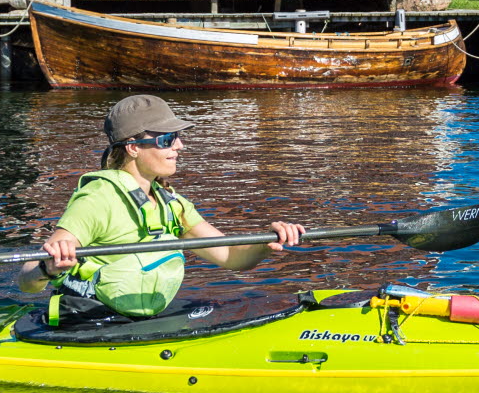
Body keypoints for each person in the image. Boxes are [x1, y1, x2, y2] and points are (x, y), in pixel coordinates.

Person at [18, 94, 304, 323]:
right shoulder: (97, 199)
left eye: (176, 137)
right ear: (133, 147)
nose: (179, 145)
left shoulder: (171, 203)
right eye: (167, 139)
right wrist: (48, 267)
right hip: (88, 323)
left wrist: (266, 242)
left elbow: (230, 255)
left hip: (138, 323)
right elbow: (27, 278)